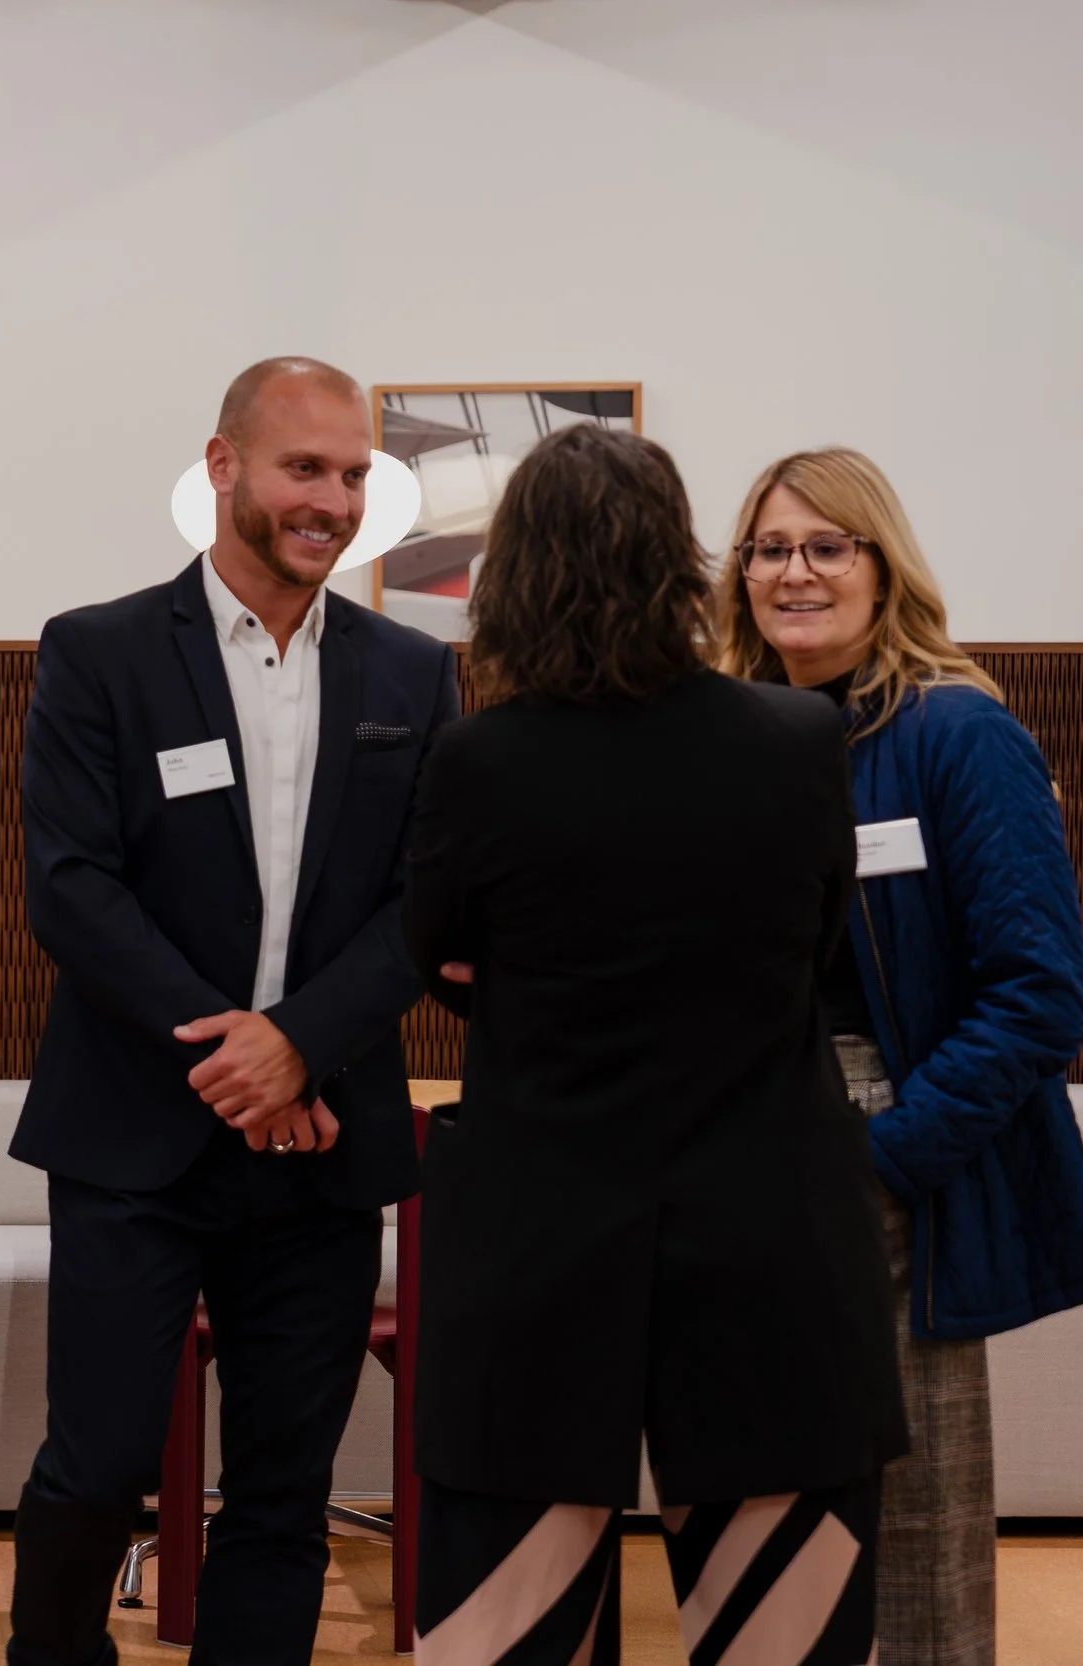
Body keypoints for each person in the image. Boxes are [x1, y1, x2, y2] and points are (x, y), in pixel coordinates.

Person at [401, 425, 908, 1664]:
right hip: (770, 1232)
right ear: (681, 564)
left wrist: (527, 992)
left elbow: (434, 954)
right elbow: (809, 945)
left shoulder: (477, 761)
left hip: (538, 1237)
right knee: (779, 1639)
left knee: (502, 1636)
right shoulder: (795, 742)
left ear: (514, 573)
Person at [5, 357, 458, 1666]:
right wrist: (237, 1054)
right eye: (303, 467)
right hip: (131, 1137)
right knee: (91, 1465)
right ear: (223, 468)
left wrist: (301, 1044)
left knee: (282, 1497)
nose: (331, 498)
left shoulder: (409, 679)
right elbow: (72, 889)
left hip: (320, 1147)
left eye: (354, 474)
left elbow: (423, 906)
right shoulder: (97, 652)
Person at [712, 448, 1083, 1666]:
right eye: (770, 547)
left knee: (913, 1539)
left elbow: (1038, 997)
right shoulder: (726, 736)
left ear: (884, 567)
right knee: (763, 1528)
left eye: (827, 546)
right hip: (744, 1163)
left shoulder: (954, 730)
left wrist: (887, 1161)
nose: (795, 572)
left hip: (893, 1165)